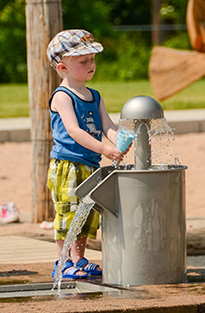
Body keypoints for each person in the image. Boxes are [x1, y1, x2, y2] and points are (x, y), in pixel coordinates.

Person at [45, 29, 127, 279]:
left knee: (88, 214)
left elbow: (108, 126)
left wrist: (119, 141)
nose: (91, 64)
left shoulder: (95, 95)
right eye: (83, 61)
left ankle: (78, 259)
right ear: (62, 67)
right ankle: (62, 261)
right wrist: (105, 148)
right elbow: (74, 131)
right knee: (68, 213)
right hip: (68, 165)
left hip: (91, 165)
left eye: (92, 59)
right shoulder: (62, 96)